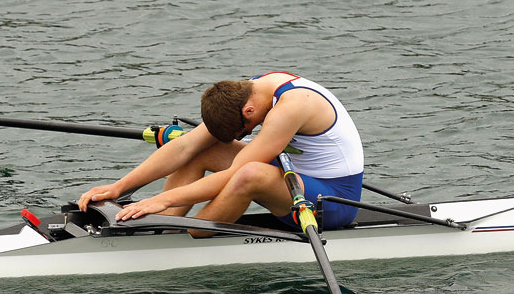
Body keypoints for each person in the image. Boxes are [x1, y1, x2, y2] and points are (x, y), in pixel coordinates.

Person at [78, 71, 364, 236]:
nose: (244, 137)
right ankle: (164, 231)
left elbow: (235, 172)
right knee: (204, 147)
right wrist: (119, 187)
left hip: (332, 201)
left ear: (248, 112)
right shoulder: (254, 89)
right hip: (296, 181)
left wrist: (160, 200)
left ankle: (197, 230)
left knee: (250, 173)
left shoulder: (290, 107)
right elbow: (185, 146)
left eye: (244, 131)